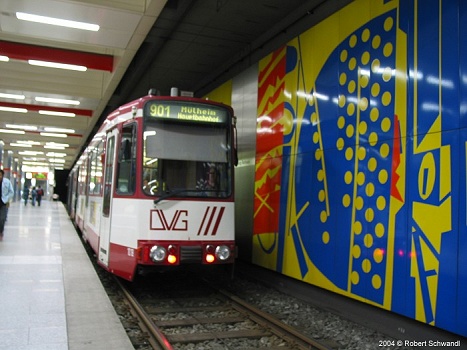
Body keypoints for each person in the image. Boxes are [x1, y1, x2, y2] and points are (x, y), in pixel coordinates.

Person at [0, 169, 14, 238]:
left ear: (2, 175)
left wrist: (7, 199)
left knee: (2, 219)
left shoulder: (7, 182)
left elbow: (11, 192)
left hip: (3, 203)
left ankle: (1, 231)